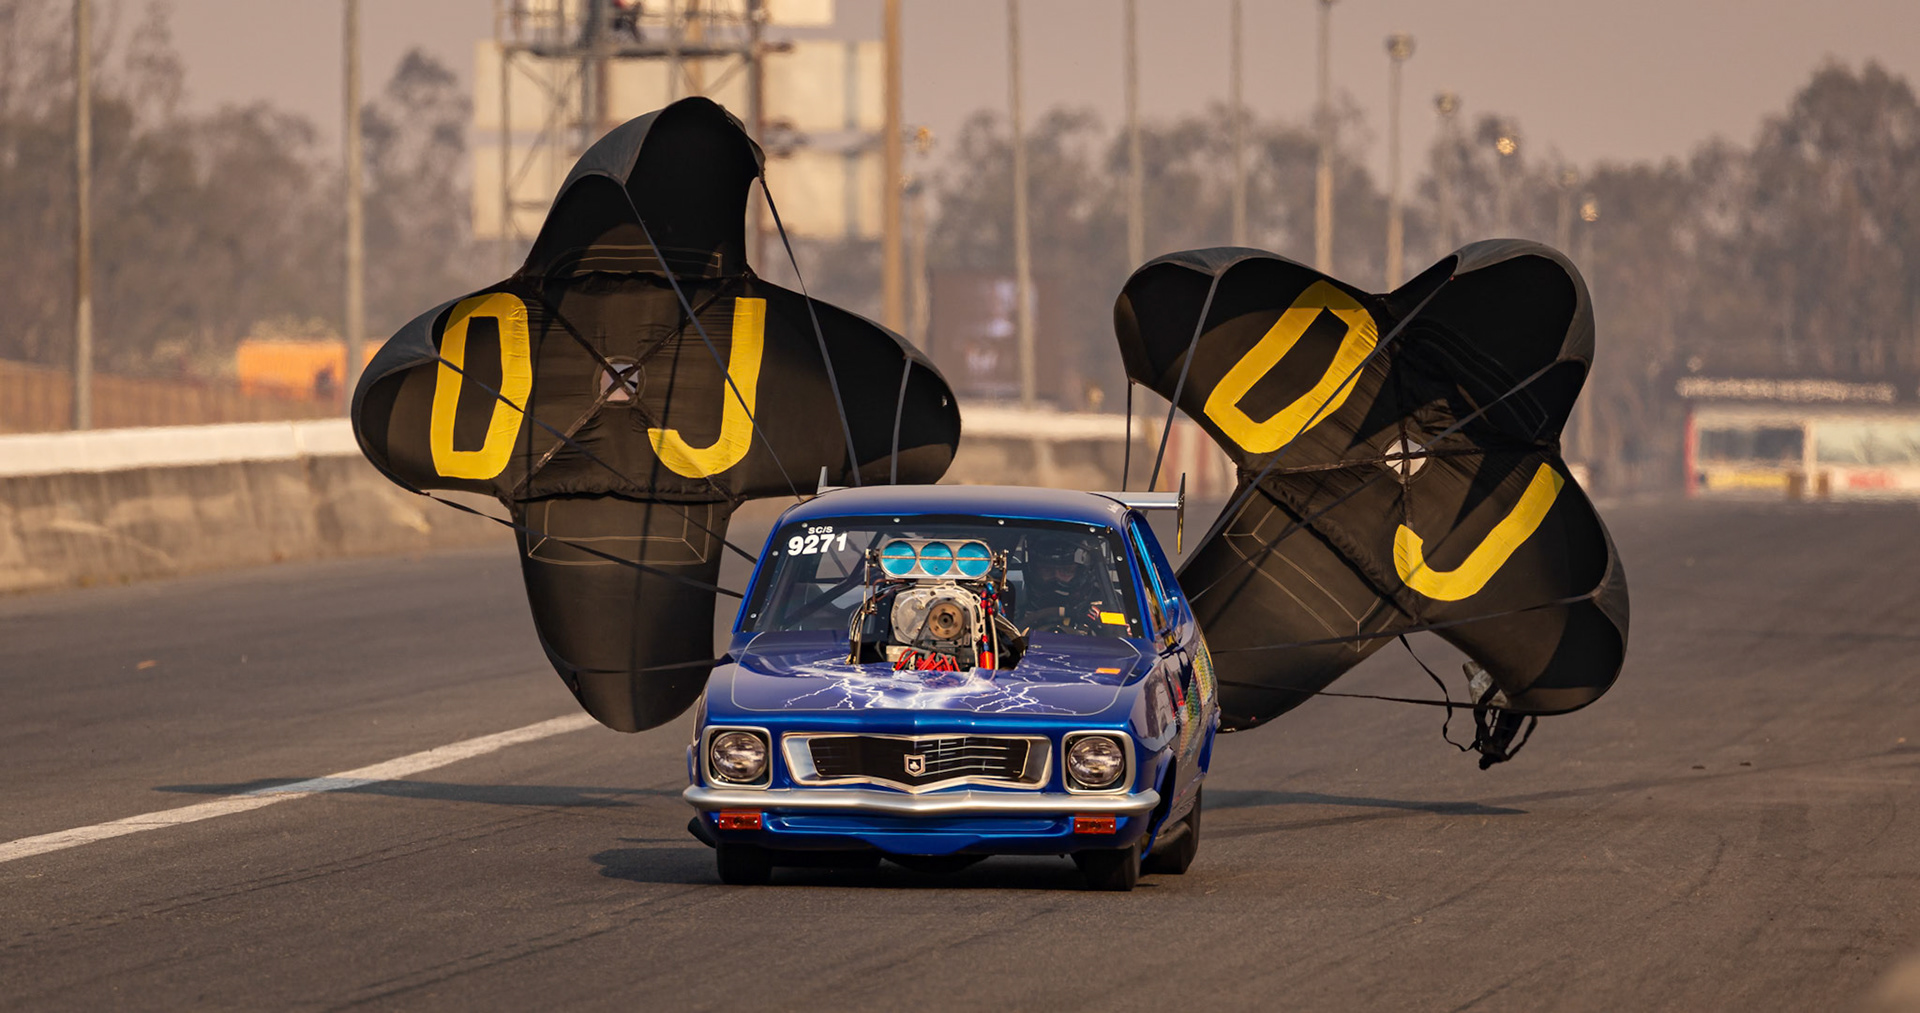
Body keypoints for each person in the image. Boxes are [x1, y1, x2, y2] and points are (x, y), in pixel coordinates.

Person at [1021, 536, 1109, 634]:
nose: (1056, 578)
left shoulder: (1108, 607)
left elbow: (1123, 642)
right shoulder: (1014, 605)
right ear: (1034, 571)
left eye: (1066, 571)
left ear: (1082, 573)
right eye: (1046, 570)